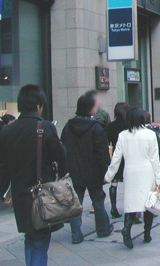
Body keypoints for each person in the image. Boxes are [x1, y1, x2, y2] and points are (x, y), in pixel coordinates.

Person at [0, 85, 66, 266]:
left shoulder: (7, 130)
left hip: (20, 193)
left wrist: (4, 192)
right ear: (38, 106)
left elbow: (1, 166)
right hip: (41, 193)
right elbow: (60, 156)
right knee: (40, 239)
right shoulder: (45, 127)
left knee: (31, 236)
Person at [104, 107, 160, 248]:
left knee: (131, 204)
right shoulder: (150, 134)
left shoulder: (123, 135)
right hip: (147, 172)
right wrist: (158, 179)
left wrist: (108, 176)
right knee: (148, 204)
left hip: (130, 172)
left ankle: (127, 229)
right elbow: (155, 159)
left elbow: (116, 158)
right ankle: (147, 233)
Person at [60, 93, 111, 244]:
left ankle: (76, 234)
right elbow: (102, 153)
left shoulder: (68, 127)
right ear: (90, 108)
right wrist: (106, 171)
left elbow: (63, 149)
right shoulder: (96, 128)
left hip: (74, 171)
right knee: (98, 201)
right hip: (93, 172)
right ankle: (103, 229)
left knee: (75, 204)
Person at [106, 102, 130, 219]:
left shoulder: (111, 126)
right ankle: (131, 209)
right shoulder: (129, 125)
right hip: (128, 156)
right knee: (129, 183)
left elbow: (108, 141)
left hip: (116, 156)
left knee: (114, 182)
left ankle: (113, 207)